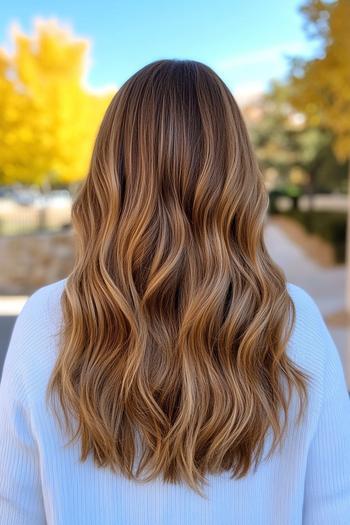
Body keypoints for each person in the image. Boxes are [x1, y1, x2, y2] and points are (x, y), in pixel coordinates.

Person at [0, 59, 349, 525]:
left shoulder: (46, 318)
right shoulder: (294, 320)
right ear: (237, 175)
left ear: (111, 173)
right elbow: (333, 507)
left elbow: (14, 509)